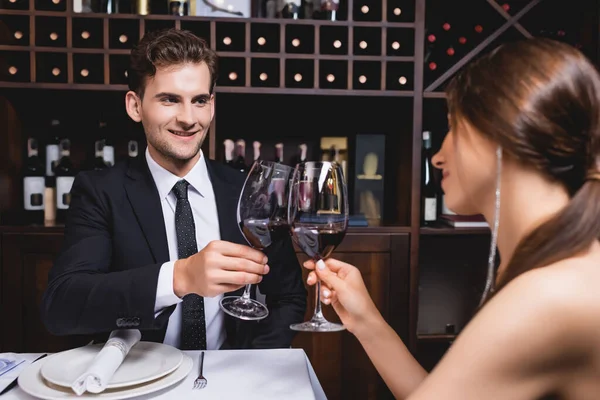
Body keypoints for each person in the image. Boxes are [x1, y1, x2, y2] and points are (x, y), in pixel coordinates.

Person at [304, 37, 600, 399]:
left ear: (501, 136)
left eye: (453, 128)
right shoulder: (569, 266)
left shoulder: (548, 296)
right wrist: (366, 320)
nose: (437, 157)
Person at [41, 28, 307, 350]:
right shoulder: (101, 192)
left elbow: (288, 296)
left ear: (212, 105)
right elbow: (62, 306)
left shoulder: (248, 191)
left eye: (199, 101)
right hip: (140, 380)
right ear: (135, 106)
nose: (187, 118)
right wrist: (179, 277)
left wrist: (250, 364)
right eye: (169, 100)